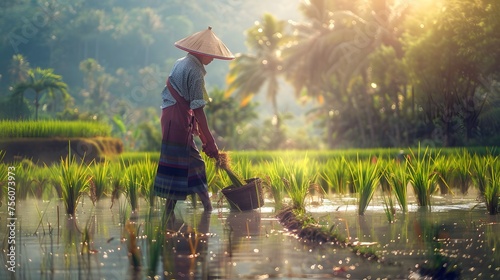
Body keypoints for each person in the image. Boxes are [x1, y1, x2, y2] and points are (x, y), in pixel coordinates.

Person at [154, 27, 234, 213]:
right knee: (192, 162)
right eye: (210, 54)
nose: (212, 58)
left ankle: (173, 210)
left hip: (171, 116)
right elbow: (198, 109)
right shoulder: (196, 73)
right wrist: (211, 142)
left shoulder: (180, 62)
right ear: (200, 52)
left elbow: (186, 100)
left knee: (182, 161)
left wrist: (198, 131)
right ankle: (206, 208)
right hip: (177, 118)